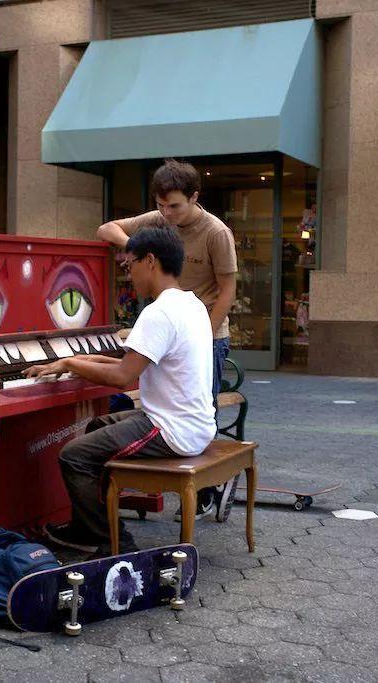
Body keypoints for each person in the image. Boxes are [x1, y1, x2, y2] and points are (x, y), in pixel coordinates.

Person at [25, 227, 216, 555]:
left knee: (74, 455)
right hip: (193, 422)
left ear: (150, 261)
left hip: (172, 429)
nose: (129, 275)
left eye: (130, 265)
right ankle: (87, 523)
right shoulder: (190, 304)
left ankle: (110, 540)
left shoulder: (159, 313)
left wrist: (70, 363)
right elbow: (134, 361)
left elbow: (123, 375)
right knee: (97, 427)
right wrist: (79, 361)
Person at [96, 159, 237, 521]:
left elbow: (228, 291)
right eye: (160, 205)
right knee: (165, 405)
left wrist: (203, 334)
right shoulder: (159, 221)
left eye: (174, 205)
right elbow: (105, 229)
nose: (167, 213)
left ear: (194, 197)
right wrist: (140, 250)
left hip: (205, 330)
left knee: (198, 408)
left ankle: (205, 491)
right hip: (170, 322)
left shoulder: (216, 232)